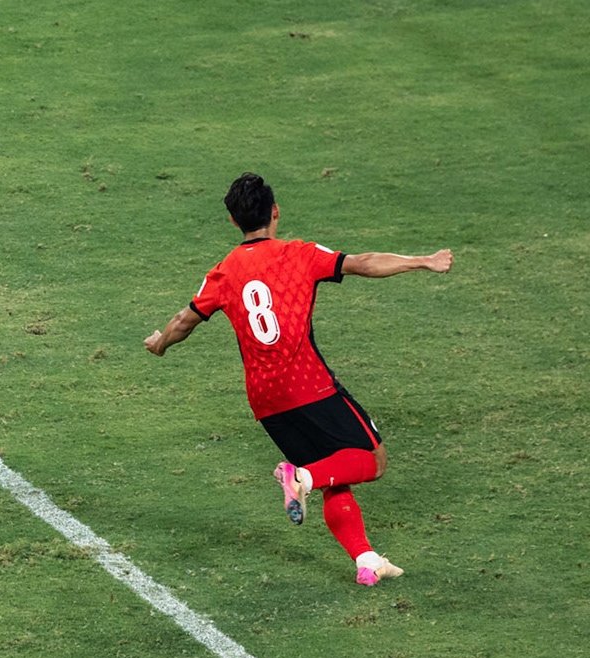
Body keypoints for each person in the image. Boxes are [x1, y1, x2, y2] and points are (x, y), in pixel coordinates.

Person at [144, 173, 454, 584]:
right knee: (371, 460)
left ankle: (365, 559)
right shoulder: (299, 254)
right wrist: (423, 261)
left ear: (234, 223)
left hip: (265, 398)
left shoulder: (223, 273)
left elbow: (185, 321)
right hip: (309, 384)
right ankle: (299, 477)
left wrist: (160, 344)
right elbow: (361, 263)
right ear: (275, 211)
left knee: (333, 471)